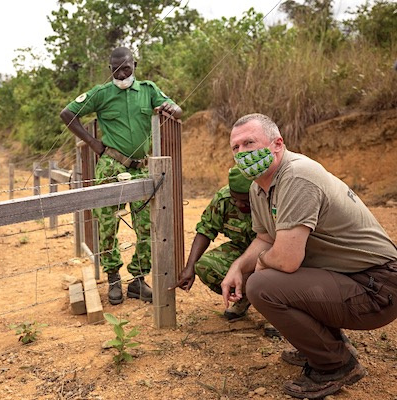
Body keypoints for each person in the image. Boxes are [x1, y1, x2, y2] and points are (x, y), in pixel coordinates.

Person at [222, 113, 397, 399]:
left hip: (377, 288)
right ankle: (328, 344)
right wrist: (238, 266)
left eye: (249, 142)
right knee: (262, 275)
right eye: (235, 147)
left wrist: (259, 266)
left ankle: (335, 365)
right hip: (350, 277)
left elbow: (287, 260)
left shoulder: (297, 175)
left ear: (277, 144)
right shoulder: (258, 187)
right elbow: (265, 237)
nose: (242, 152)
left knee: (262, 284)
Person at [60, 46, 182, 305]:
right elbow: (67, 114)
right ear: (110, 69)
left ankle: (138, 278)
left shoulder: (148, 90)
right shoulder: (101, 94)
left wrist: (171, 109)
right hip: (111, 166)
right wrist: (93, 143)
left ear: (134, 65)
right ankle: (113, 277)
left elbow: (176, 109)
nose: (121, 73)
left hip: (140, 168)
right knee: (107, 225)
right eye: (116, 69)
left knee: (147, 225)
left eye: (126, 68)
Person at [171, 166, 280, 338]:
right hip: (243, 251)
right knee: (205, 266)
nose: (237, 204)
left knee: (275, 271)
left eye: (244, 201)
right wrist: (189, 267)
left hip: (274, 253)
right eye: (235, 199)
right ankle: (245, 297)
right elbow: (205, 230)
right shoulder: (224, 198)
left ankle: (276, 310)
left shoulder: (273, 200)